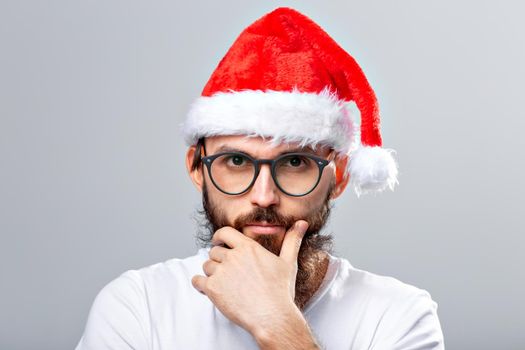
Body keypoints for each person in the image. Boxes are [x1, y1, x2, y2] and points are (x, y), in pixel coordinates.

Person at [76, 7, 445, 350]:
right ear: (196, 168)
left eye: (295, 162)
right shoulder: (136, 308)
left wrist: (280, 326)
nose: (264, 196)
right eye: (236, 161)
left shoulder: (400, 317)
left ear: (341, 176)